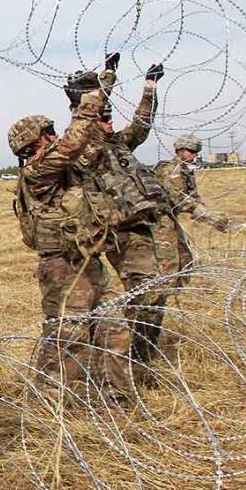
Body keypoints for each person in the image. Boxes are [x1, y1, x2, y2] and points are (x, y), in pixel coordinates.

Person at [8, 91, 130, 405]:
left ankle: (117, 397)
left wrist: (98, 96)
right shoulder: (39, 172)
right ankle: (50, 402)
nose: (53, 136)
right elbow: (72, 143)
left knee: (115, 328)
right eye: (46, 133)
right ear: (31, 144)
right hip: (63, 267)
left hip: (89, 261)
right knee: (68, 337)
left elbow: (90, 143)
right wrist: (90, 101)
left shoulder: (66, 169)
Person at [73, 55, 186, 385]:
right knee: (142, 294)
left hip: (152, 225)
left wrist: (149, 87)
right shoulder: (85, 149)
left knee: (159, 292)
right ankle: (130, 359)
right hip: (123, 233)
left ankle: (143, 354)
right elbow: (89, 112)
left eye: (109, 119)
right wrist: (107, 77)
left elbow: (141, 123)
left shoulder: (120, 143)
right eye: (103, 118)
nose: (109, 122)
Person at [155, 135, 232, 233]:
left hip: (172, 216)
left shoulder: (184, 169)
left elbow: (191, 195)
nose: (194, 155)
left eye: (196, 152)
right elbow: (177, 197)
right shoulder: (171, 169)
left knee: (182, 246)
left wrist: (204, 212)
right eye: (191, 151)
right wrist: (203, 213)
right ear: (180, 150)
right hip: (161, 218)